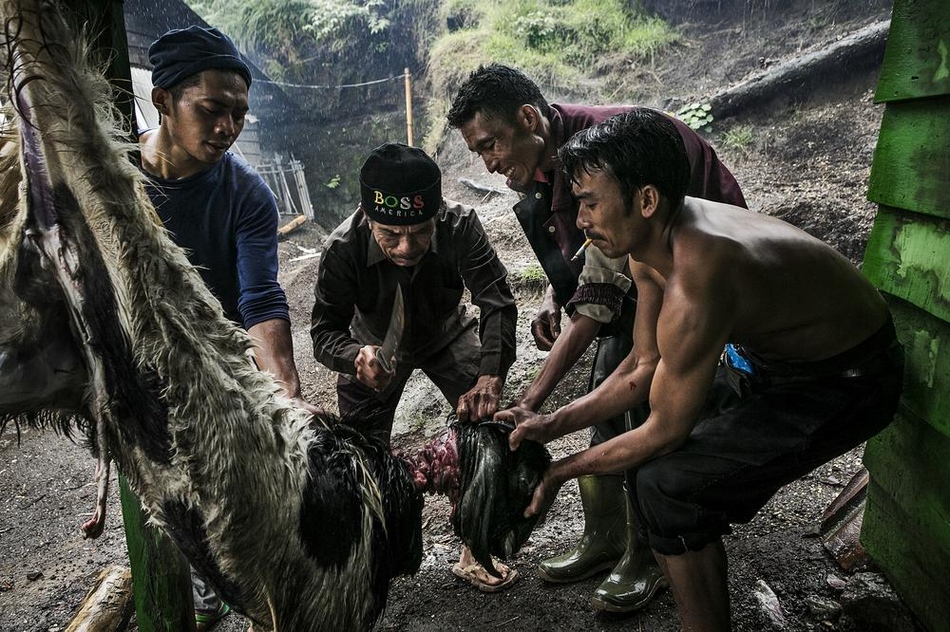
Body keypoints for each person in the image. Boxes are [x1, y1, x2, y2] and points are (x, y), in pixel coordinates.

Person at [498, 109, 904, 630]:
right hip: (776, 362)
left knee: (667, 484)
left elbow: (665, 430)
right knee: (654, 474)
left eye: (590, 204)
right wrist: (552, 423)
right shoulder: (650, 244)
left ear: (645, 200)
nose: (580, 221)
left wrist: (560, 470)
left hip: (848, 379)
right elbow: (641, 368)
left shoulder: (699, 276)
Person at [446, 63, 746, 612]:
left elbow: (599, 296)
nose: (488, 163)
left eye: (490, 145)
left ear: (529, 119)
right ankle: (606, 536)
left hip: (691, 269)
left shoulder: (595, 157)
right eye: (478, 154)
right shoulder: (543, 166)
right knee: (611, 378)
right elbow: (585, 266)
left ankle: (647, 551)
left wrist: (532, 403)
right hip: (641, 271)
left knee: (641, 395)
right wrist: (553, 296)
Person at [140, 25, 318, 631]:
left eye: (239, 115)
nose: (227, 129)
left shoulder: (247, 196)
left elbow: (261, 300)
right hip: (137, 362)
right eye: (211, 110)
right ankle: (181, 584)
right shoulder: (115, 184)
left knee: (225, 483)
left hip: (215, 364)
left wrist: (284, 397)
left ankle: (225, 580)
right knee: (160, 495)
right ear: (163, 100)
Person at [310, 142, 520, 591]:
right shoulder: (342, 249)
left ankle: (477, 546)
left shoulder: (462, 226)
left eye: (421, 232)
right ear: (368, 220)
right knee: (361, 458)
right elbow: (323, 333)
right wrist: (354, 357)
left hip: (447, 332)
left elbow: (496, 301)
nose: (406, 247)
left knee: (488, 429)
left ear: (438, 213)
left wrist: (489, 375)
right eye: (390, 235)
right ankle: (373, 554)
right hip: (373, 348)